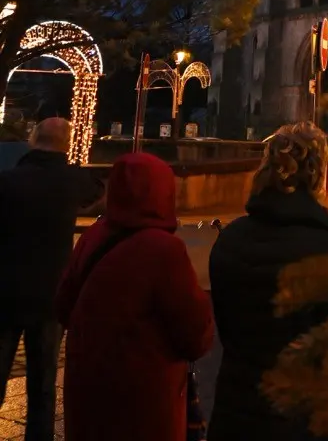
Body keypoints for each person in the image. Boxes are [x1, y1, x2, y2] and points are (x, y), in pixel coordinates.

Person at [57, 151, 214, 441]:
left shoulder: (93, 236)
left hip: (89, 388)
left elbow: (64, 304)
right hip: (145, 397)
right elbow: (195, 336)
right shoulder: (165, 250)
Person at [208, 122, 328, 441]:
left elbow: (227, 326)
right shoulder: (322, 248)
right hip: (297, 417)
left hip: (235, 410)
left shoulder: (231, 239)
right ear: (318, 175)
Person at [0, 116, 103, 441]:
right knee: (43, 384)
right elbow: (98, 191)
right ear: (66, 145)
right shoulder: (73, 181)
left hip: (5, 293)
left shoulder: (8, 181)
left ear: (33, 140)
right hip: (50, 298)